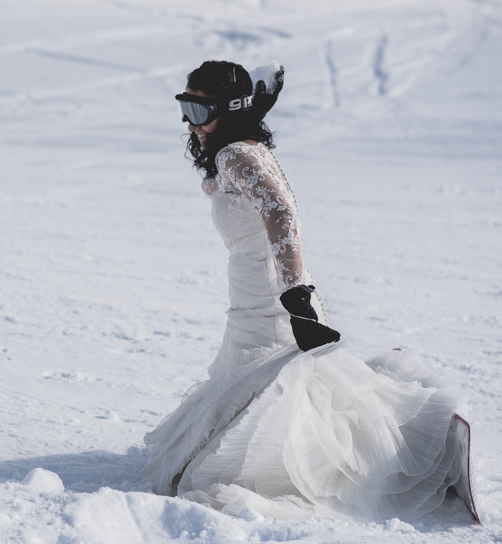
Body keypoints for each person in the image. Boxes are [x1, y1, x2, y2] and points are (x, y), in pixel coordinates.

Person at [141, 60, 477, 522]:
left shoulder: (236, 153)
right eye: (185, 108)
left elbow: (280, 213)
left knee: (267, 406)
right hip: (253, 296)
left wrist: (296, 295)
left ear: (228, 110)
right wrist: (243, 115)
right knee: (275, 394)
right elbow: (221, 187)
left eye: (200, 112)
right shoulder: (242, 149)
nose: (189, 124)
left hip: (272, 297)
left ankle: (411, 448)